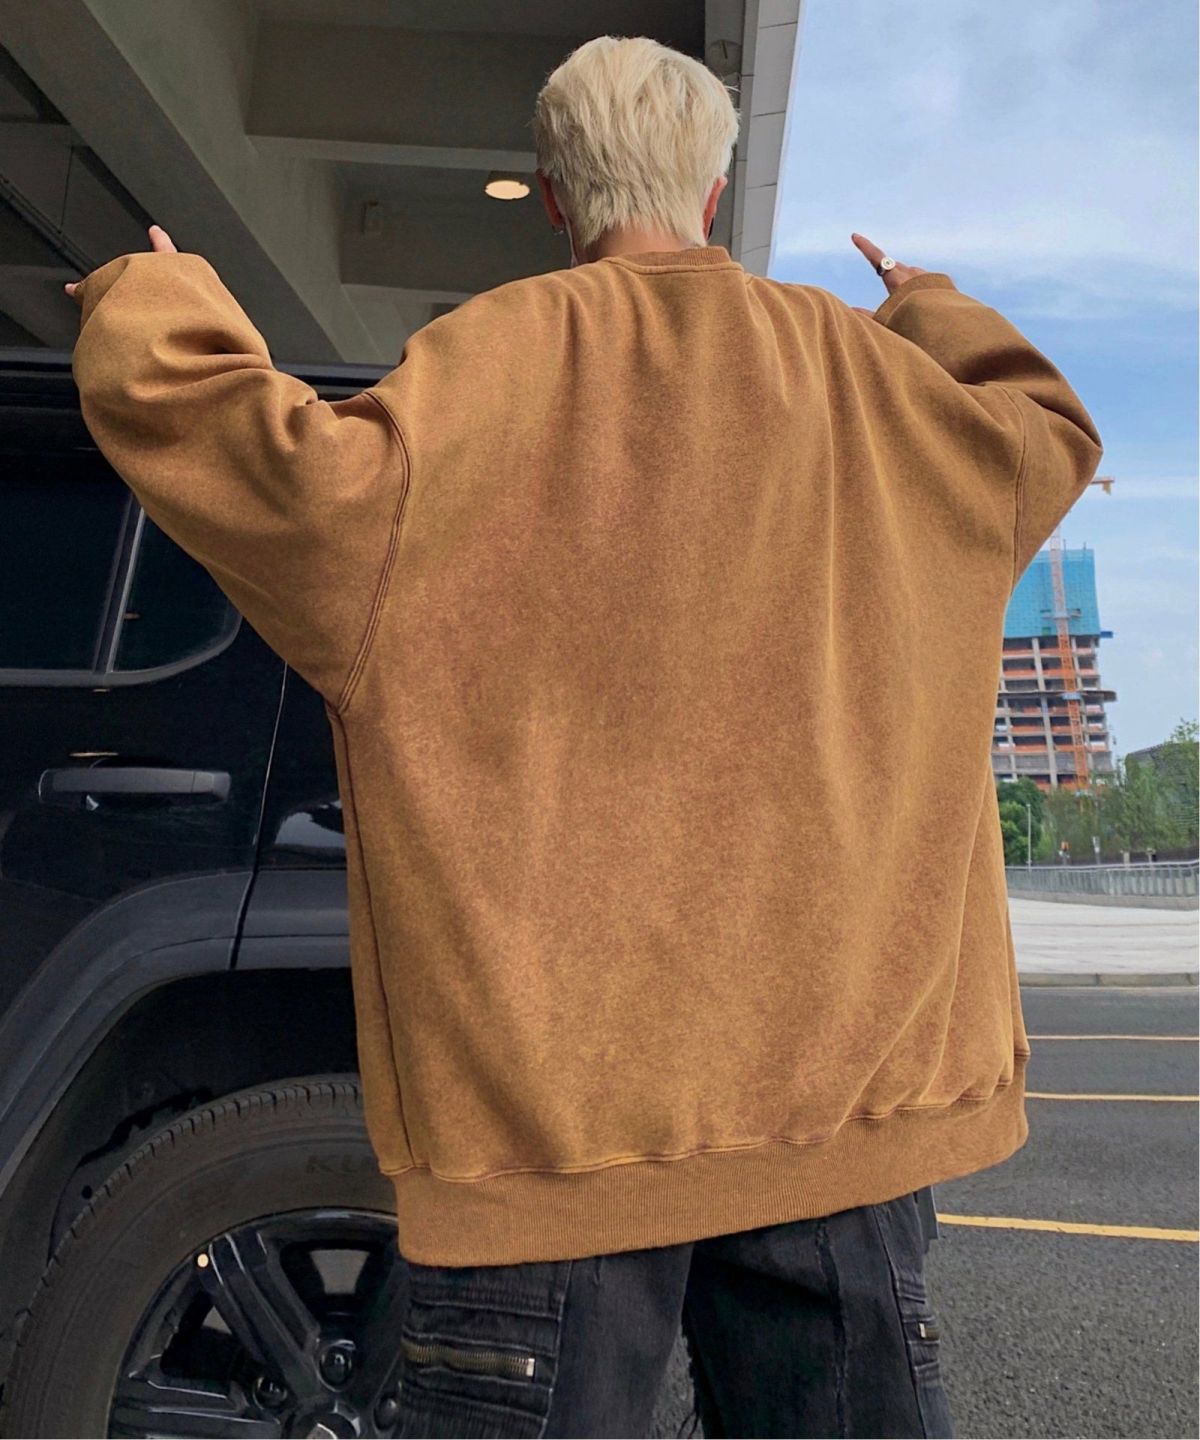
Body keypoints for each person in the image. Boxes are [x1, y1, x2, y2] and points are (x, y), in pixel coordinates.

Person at [66, 33, 1102, 1440]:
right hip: (840, 1111)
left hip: (554, 1126)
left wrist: (156, 300)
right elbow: (1044, 439)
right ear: (717, 190)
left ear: (552, 196)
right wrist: (930, 307)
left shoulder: (476, 372)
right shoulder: (868, 379)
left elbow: (267, 473)